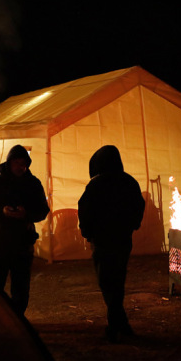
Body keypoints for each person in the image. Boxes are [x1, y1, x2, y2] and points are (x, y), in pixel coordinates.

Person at [78, 145, 145, 343]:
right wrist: (133, 225)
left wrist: (88, 232)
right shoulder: (129, 182)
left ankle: (115, 325)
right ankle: (121, 323)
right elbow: (138, 206)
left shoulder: (96, 184)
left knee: (107, 281)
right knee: (117, 280)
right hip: (123, 239)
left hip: (102, 240)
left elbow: (85, 209)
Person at [0, 145, 50, 314]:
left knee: (21, 288)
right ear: (9, 163)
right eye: (17, 162)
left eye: (23, 163)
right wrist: (1, 211)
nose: (20, 166)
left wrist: (26, 214)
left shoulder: (33, 184)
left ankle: (17, 320)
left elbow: (43, 210)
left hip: (22, 243)